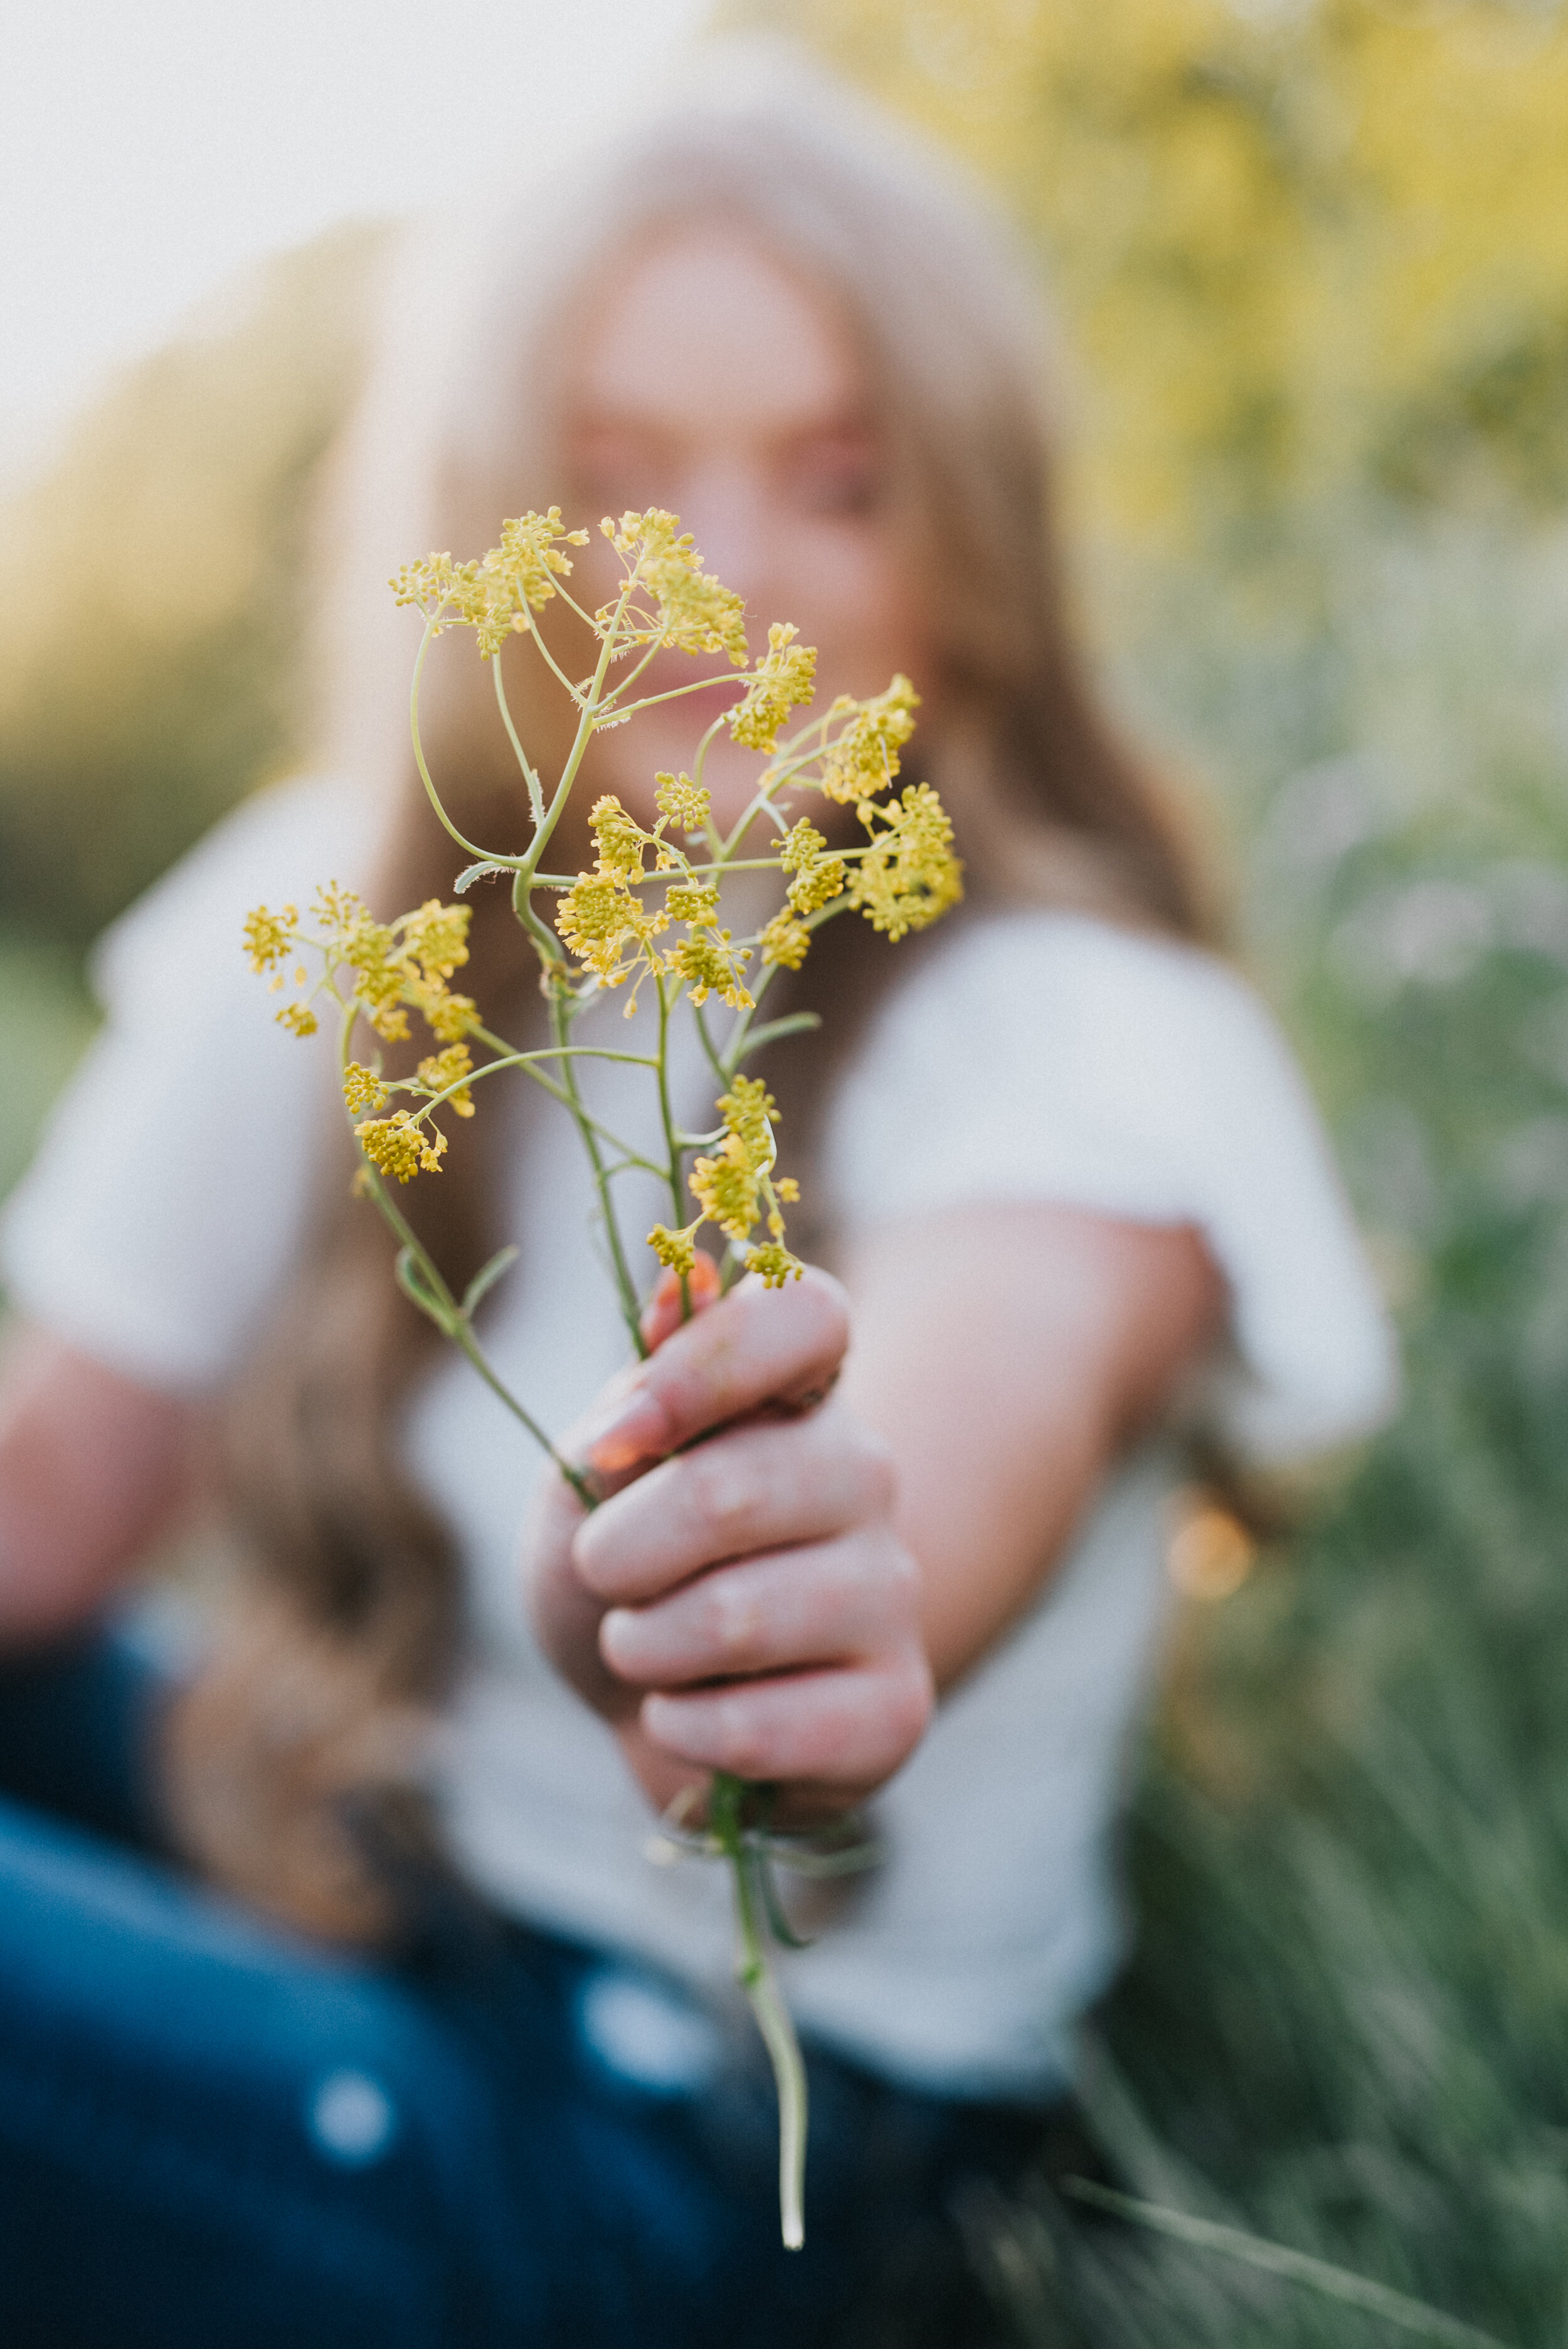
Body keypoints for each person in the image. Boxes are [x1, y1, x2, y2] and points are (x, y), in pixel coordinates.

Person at [0, 45, 1396, 2349]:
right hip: (373, 1888)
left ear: (974, 531)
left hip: (717, 2167)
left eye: (833, 480)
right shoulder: (358, 916)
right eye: (613, 485)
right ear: (480, 520)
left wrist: (783, 1579)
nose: (708, 579)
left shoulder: (1070, 1016)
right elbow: (49, 1505)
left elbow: (974, 1400)